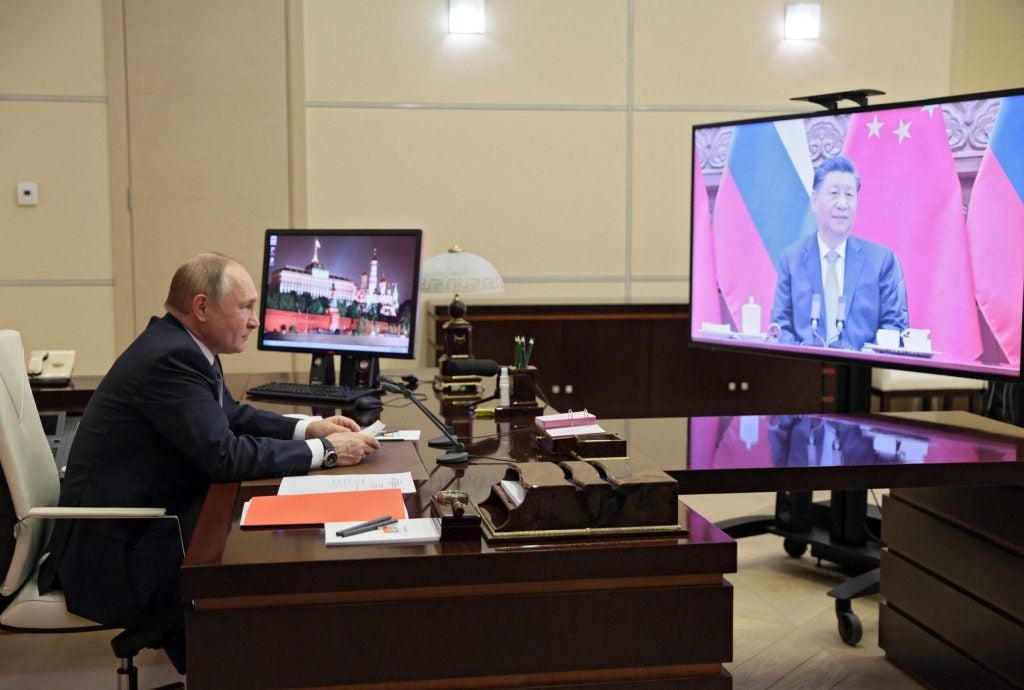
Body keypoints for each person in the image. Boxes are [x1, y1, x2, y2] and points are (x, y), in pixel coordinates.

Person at [38, 252, 380, 673]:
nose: (255, 321)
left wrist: (309, 428)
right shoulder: (170, 358)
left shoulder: (183, 345)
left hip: (145, 520)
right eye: (245, 307)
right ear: (201, 307)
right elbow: (225, 455)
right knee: (268, 573)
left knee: (268, 545)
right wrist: (327, 452)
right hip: (117, 549)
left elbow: (230, 415)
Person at [770, 155, 908, 350]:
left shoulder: (880, 261)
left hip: (862, 366)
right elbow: (780, 327)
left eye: (849, 195)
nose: (842, 204)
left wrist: (862, 360)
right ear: (814, 201)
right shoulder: (791, 259)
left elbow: (894, 327)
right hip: (805, 365)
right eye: (834, 193)